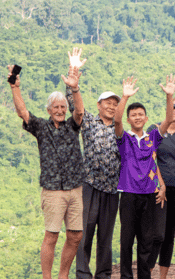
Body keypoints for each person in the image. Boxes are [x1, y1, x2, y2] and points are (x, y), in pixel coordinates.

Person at [9, 61, 84, 279]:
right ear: (49, 110)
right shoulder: (41, 127)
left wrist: (75, 88)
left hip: (75, 188)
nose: (60, 110)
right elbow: (22, 111)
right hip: (52, 190)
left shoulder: (73, 125)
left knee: (76, 235)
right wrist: (15, 87)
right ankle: (47, 277)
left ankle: (63, 275)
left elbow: (79, 111)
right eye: (56, 107)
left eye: (63, 107)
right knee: (51, 236)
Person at [65, 49, 122, 279]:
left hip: (111, 189)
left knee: (106, 238)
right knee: (84, 233)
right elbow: (76, 108)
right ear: (98, 105)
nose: (111, 106)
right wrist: (74, 79)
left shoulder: (120, 131)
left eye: (115, 104)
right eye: (107, 102)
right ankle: (82, 274)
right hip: (88, 186)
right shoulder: (88, 121)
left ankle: (104, 275)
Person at [114, 76, 175, 279]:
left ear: (146, 119)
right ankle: (125, 276)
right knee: (126, 241)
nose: (138, 117)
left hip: (149, 194)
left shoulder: (152, 139)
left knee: (146, 241)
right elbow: (116, 120)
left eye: (141, 114)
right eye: (133, 115)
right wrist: (124, 97)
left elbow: (168, 120)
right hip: (129, 195)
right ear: (129, 119)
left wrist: (169, 96)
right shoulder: (124, 139)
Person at [148, 79, 175, 279]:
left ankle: (162, 276)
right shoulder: (155, 129)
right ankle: (146, 271)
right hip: (158, 190)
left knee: (170, 236)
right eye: (173, 106)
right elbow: (149, 157)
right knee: (157, 234)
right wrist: (161, 184)